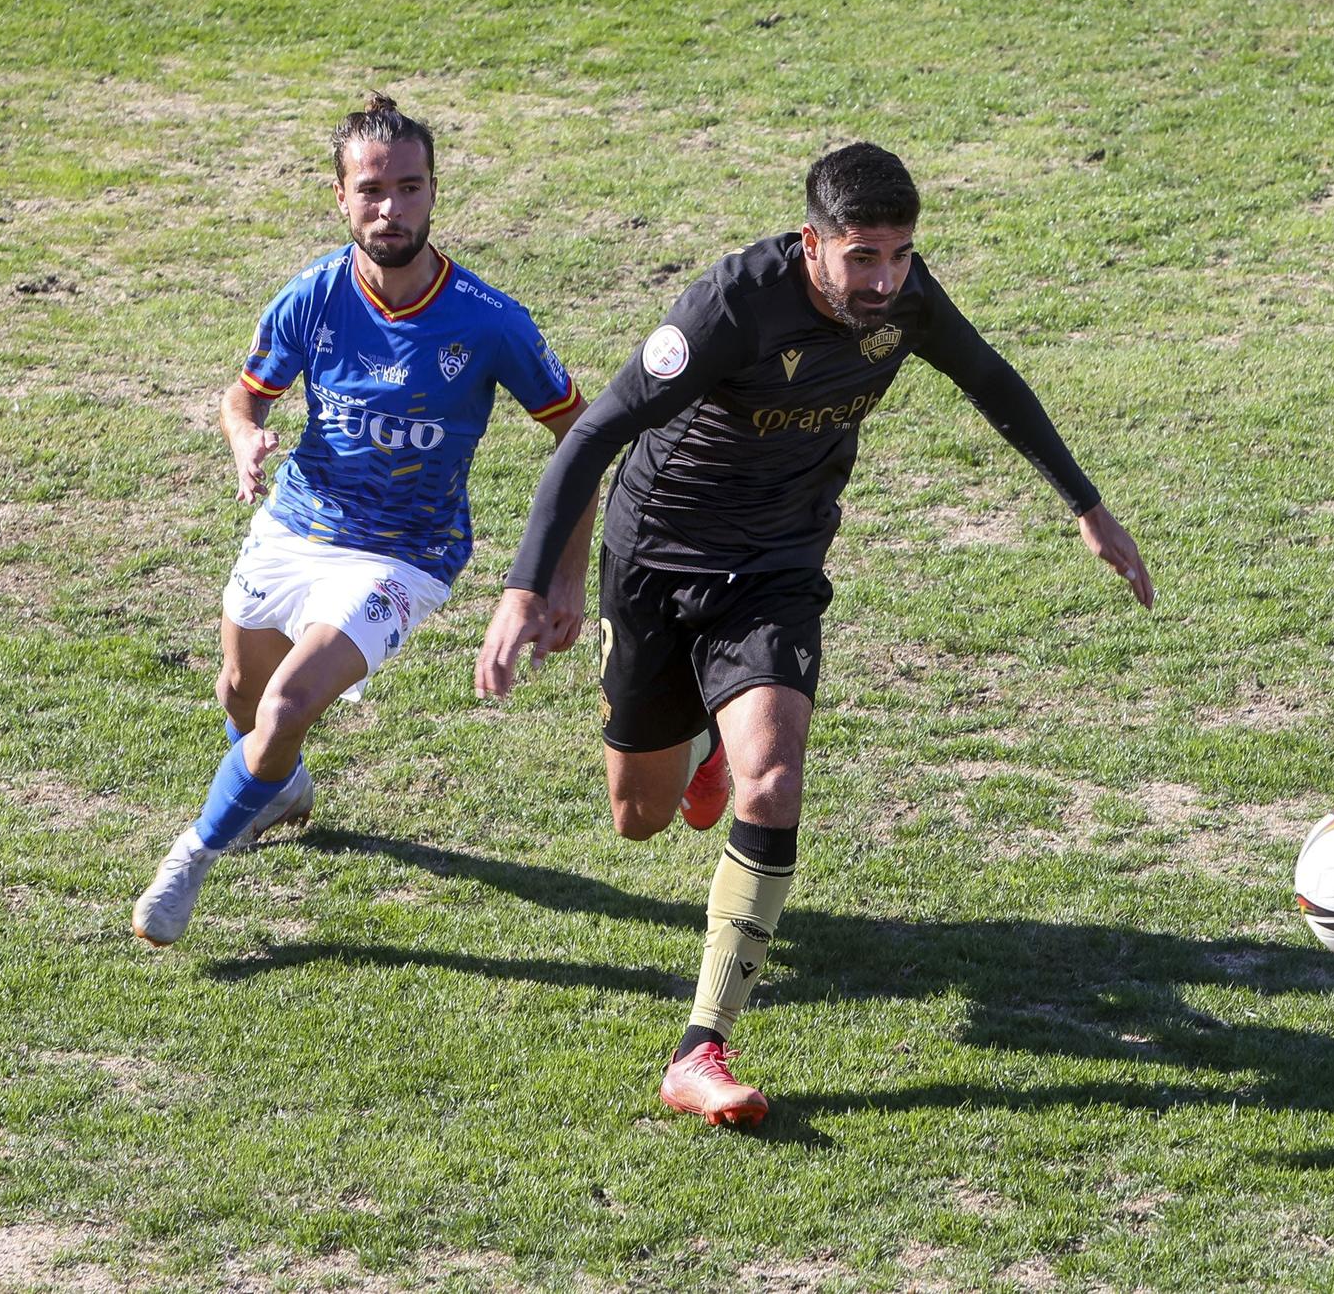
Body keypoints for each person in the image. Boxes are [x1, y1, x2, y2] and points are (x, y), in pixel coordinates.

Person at [475, 142, 1151, 1126]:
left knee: (777, 777)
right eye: (862, 257)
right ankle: (703, 738)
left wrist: (1086, 507)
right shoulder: (729, 308)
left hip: (777, 569)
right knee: (639, 818)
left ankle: (699, 1046)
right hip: (662, 561)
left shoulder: (906, 303)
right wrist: (527, 585)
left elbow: (991, 381)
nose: (884, 280)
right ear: (812, 245)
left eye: (900, 255)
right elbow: (591, 435)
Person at [134, 94, 594, 947]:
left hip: (405, 554)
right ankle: (278, 787)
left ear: (432, 192)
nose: (393, 208)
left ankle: (192, 855)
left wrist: (564, 574)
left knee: (283, 707)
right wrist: (244, 438)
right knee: (240, 692)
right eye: (373, 189)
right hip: (296, 524)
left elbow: (582, 436)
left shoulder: (489, 322)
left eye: (411, 188)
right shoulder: (313, 296)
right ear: (339, 196)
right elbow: (244, 396)